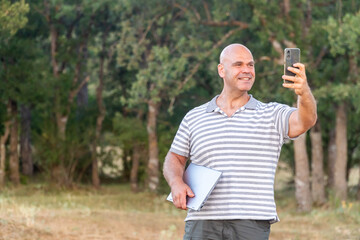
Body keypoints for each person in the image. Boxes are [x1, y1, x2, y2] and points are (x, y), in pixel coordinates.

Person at [163, 43, 317, 240]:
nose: (247, 70)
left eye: (250, 65)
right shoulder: (194, 117)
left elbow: (306, 120)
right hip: (202, 221)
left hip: (251, 223)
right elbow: (175, 157)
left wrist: (304, 93)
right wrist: (176, 183)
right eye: (238, 64)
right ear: (221, 70)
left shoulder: (271, 114)